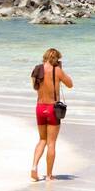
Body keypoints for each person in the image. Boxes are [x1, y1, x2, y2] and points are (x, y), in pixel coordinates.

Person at [31, 48, 72, 182]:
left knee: (42, 140)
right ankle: (49, 175)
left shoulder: (37, 70)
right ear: (56, 59)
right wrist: (60, 70)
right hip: (52, 109)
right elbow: (70, 84)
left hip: (40, 107)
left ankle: (34, 168)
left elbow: (34, 87)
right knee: (51, 143)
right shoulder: (57, 71)